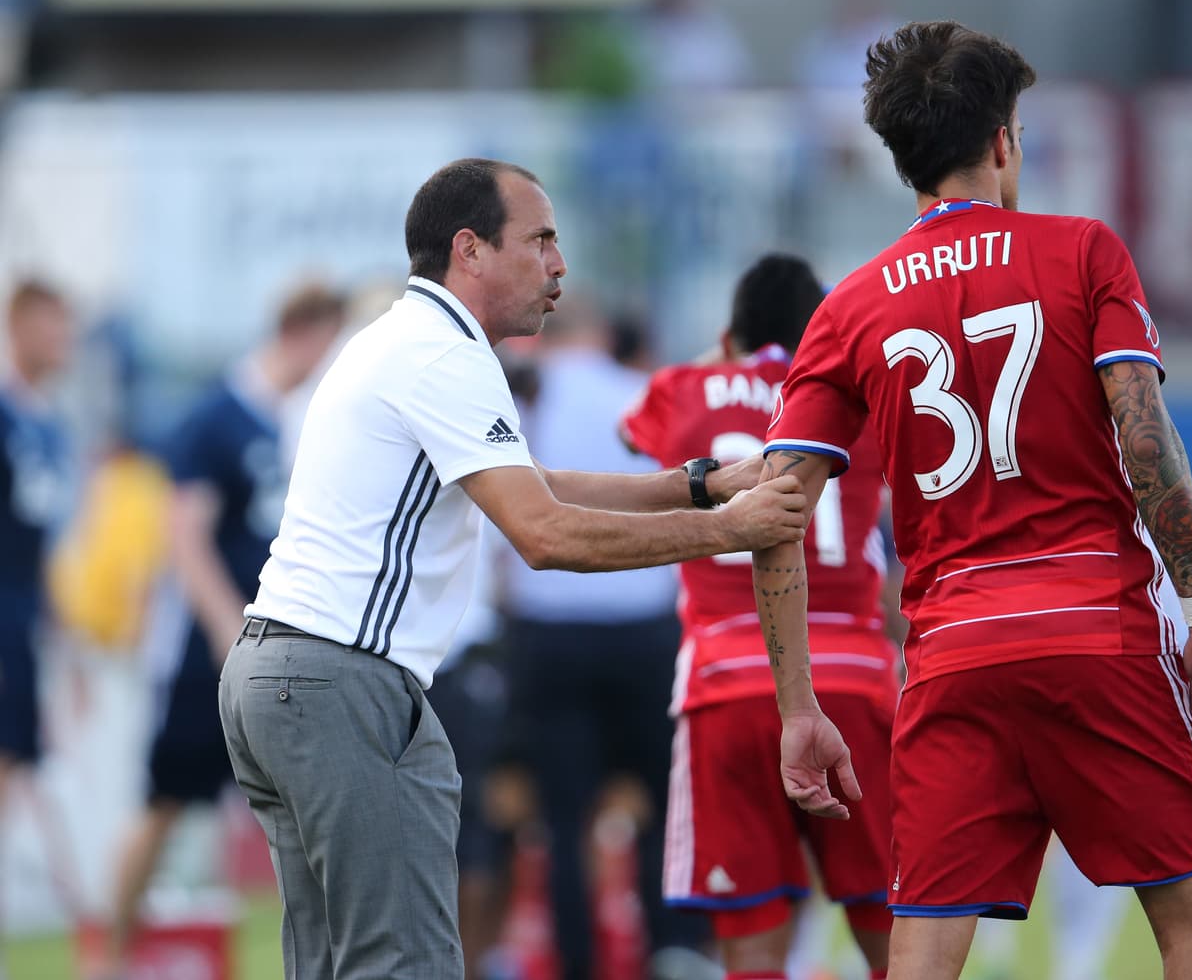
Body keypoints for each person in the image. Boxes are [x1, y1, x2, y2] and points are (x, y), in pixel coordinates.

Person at [217, 157, 808, 980]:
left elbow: (533, 481)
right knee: (406, 964)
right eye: (540, 240)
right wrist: (729, 530)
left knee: (333, 966)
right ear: (471, 249)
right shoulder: (442, 354)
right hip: (339, 681)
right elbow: (545, 534)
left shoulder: (410, 338)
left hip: (283, 674)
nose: (559, 264)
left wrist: (698, 485)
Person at [750, 21, 1192, 980]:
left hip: (952, 657)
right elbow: (1148, 442)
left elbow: (778, 511)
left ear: (901, 160)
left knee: (923, 958)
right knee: (1191, 929)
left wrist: (798, 703)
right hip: (1096, 631)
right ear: (1005, 139)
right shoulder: (1083, 251)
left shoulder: (848, 307)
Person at [620, 253, 897, 980]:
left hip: (726, 681)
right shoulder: (855, 393)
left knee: (752, 944)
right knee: (894, 930)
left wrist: (724, 358)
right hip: (855, 676)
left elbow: (632, 437)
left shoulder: (683, 387)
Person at [101, 283, 347, 977]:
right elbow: (187, 534)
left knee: (307, 816)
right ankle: (107, 958)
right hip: (214, 654)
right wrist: (222, 628)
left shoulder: (299, 421)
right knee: (166, 802)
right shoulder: (217, 417)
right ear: (303, 330)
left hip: (290, 649)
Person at [502, 301, 701, 980]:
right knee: (661, 805)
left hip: (550, 627)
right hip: (643, 625)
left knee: (563, 819)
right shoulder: (641, 392)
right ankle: (670, 951)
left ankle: (578, 963)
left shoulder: (522, 401)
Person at [0, 281, 76, 955]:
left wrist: (64, 648)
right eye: (54, 326)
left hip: (20, 625)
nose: (66, 342)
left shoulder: (47, 423)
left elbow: (42, 547)